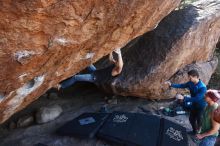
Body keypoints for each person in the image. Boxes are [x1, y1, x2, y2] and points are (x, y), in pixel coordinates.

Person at [56, 48, 123, 89]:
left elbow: (120, 65)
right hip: (95, 72)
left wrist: (119, 54)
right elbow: (110, 59)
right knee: (87, 63)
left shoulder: (116, 71)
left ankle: (61, 86)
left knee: (76, 77)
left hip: (94, 77)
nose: (116, 61)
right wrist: (111, 50)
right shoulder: (115, 65)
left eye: (118, 61)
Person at [165, 69, 207, 134]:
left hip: (201, 106)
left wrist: (184, 98)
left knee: (199, 120)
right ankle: (194, 131)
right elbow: (182, 85)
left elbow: (197, 98)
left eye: (190, 77)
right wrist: (171, 85)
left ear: (195, 77)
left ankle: (200, 134)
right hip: (194, 104)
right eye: (189, 77)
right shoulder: (190, 83)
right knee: (191, 119)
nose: (189, 79)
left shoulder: (202, 87)